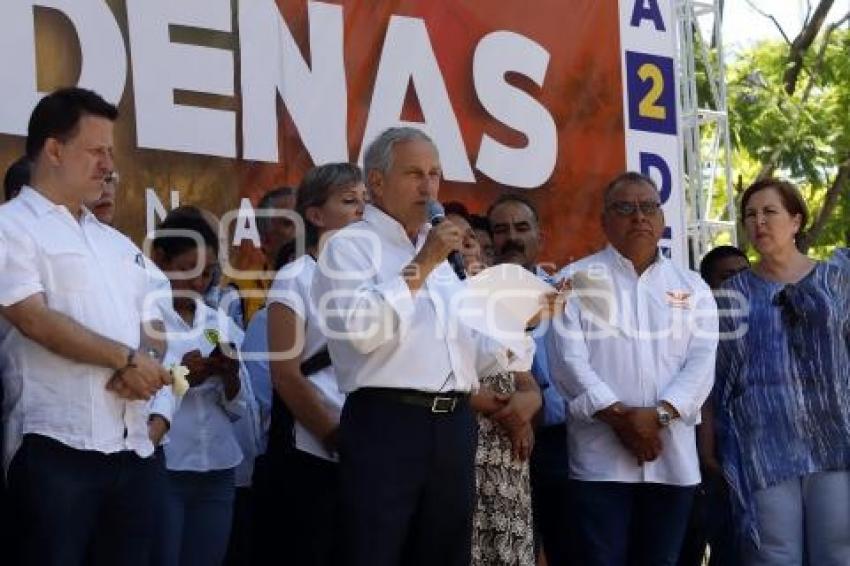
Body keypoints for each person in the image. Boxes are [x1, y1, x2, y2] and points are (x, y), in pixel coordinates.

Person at [311, 127, 539, 566]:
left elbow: (474, 349)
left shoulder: (443, 258)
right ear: (376, 182)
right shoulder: (349, 246)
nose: (429, 185)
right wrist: (424, 263)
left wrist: (522, 320)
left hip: (453, 426)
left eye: (434, 173)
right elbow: (361, 329)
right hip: (387, 423)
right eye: (414, 173)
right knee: (374, 552)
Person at [0, 87, 172, 565]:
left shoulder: (117, 244)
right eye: (96, 151)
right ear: (54, 150)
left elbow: (154, 318)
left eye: (111, 154)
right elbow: (30, 316)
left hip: (134, 451)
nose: (109, 166)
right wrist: (125, 360)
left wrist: (148, 362)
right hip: (57, 448)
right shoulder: (11, 226)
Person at [548, 172, 718, 565]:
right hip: (600, 463)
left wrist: (658, 416)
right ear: (604, 220)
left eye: (648, 207)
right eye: (625, 208)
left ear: (661, 220)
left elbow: (701, 364)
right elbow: (568, 364)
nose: (638, 217)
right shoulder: (572, 281)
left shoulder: (693, 286)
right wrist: (624, 420)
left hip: (672, 460)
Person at [714, 178, 850, 565]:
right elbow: (717, 381)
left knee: (838, 552)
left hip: (835, 438)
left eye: (770, 212)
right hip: (763, 444)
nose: (759, 222)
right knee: (773, 555)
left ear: (795, 220)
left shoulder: (838, 281)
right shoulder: (731, 295)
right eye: (750, 215)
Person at [266, 163, 367, 564]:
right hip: (312, 450)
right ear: (315, 215)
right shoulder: (295, 278)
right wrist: (334, 434)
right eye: (349, 201)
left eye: (365, 202)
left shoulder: (371, 282)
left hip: (367, 449)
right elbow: (285, 374)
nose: (362, 211)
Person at [150, 209, 255, 566]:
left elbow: (240, 409)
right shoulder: (146, 318)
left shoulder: (215, 323)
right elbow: (135, 398)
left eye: (208, 273)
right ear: (159, 260)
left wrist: (229, 377)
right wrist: (182, 378)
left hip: (218, 470)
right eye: (189, 269)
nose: (199, 283)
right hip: (167, 468)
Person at [446, 203, 542, 566]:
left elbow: (526, 380)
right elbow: (433, 379)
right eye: (456, 237)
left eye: (471, 237)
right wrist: (506, 410)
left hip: (506, 456)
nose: (468, 244)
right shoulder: (430, 300)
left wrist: (525, 406)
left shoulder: (496, 303)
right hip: (461, 442)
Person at [488, 193, 573, 565]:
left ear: (541, 236)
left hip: (561, 444)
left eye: (522, 228)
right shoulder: (471, 296)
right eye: (500, 229)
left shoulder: (565, 297)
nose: (512, 238)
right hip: (496, 441)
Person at [678, 245, 749, 566]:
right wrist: (707, 455)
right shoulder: (690, 329)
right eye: (727, 277)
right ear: (707, 286)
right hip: (701, 461)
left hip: (754, 459)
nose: (738, 284)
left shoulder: (761, 324)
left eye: (744, 275)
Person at [222, 187, 297, 327]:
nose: (301, 231)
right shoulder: (238, 293)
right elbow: (219, 342)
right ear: (264, 239)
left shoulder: (325, 282)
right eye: (289, 223)